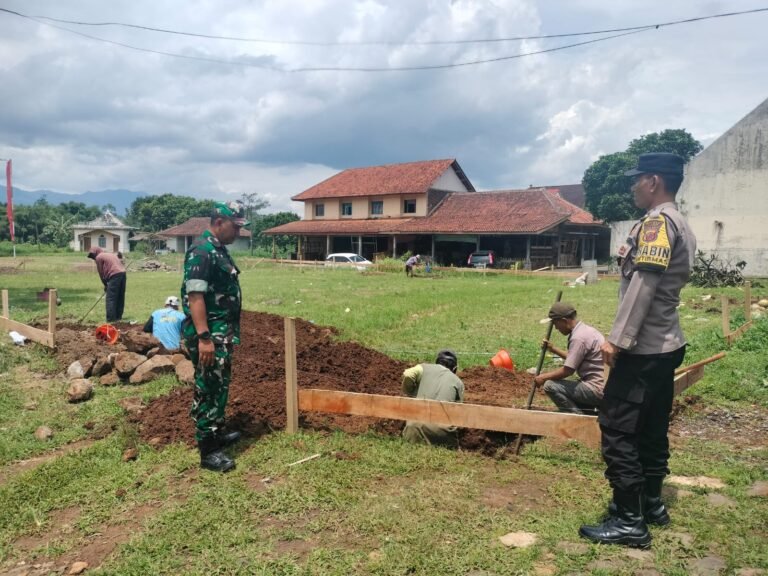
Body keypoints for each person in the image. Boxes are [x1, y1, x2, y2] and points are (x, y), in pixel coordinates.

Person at [579, 153, 696, 548]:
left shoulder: (657, 224)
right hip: (667, 344)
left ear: (653, 182)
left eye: (636, 180)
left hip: (643, 349)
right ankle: (652, 502)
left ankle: (630, 519)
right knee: (651, 426)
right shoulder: (679, 221)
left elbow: (643, 285)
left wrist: (618, 340)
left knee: (617, 428)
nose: (631, 187)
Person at [181, 200, 249, 473]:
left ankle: (217, 433)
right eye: (236, 227)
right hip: (209, 335)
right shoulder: (202, 251)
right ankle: (208, 450)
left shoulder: (218, 250)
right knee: (209, 386)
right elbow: (195, 296)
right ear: (219, 223)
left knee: (219, 385)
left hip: (223, 333)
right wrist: (204, 337)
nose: (239, 233)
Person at [534, 302, 605, 414]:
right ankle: (589, 412)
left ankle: (577, 418)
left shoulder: (578, 338)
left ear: (564, 321)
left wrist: (543, 377)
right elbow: (575, 358)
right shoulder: (586, 330)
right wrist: (553, 349)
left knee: (550, 385)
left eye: (556, 324)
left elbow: (568, 370)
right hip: (604, 386)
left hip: (595, 389)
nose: (556, 328)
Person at [402, 349, 464, 447]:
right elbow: (458, 412)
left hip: (413, 428)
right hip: (442, 435)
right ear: (455, 369)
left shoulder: (423, 367)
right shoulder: (458, 382)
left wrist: (410, 393)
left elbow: (408, 374)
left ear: (436, 363)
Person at [87, 246, 126, 322]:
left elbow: (101, 273)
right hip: (123, 274)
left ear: (96, 252)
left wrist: (105, 284)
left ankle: (111, 319)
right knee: (120, 296)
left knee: (110, 298)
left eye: (93, 255)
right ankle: (118, 317)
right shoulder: (109, 254)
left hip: (114, 275)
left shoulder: (99, 257)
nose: (93, 258)